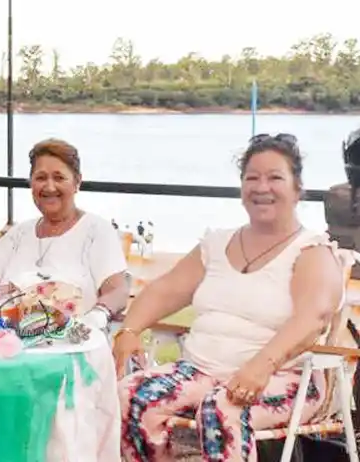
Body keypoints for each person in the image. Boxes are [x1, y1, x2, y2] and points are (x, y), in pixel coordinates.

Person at [114, 133, 345, 461]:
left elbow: (313, 318)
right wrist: (129, 330)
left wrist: (260, 366)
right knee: (131, 395)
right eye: (252, 178)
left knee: (222, 409)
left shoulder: (311, 251)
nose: (262, 187)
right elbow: (164, 290)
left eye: (275, 177)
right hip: (200, 371)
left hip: (283, 377)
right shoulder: (217, 244)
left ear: (297, 189)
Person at [0, 138, 129, 461]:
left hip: (72, 349)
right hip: (11, 348)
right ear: (30, 184)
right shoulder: (19, 233)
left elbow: (118, 288)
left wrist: (97, 316)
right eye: (40, 178)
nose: (49, 186)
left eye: (59, 177)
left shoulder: (96, 230)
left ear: (77, 182)